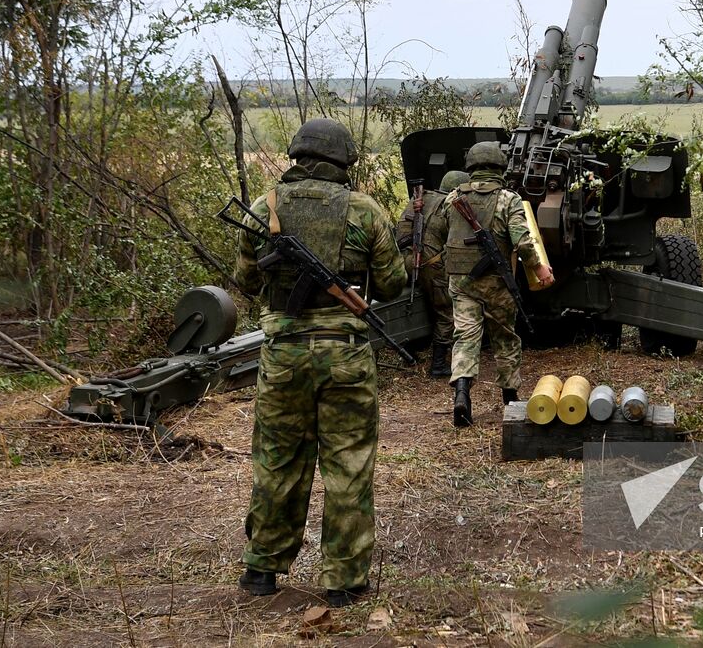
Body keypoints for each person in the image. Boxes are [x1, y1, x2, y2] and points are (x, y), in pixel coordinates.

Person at [232, 118, 405, 605]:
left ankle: (262, 569)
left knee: (277, 459)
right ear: (345, 160)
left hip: (283, 355)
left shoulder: (265, 208)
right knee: (348, 464)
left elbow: (245, 280)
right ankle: (344, 582)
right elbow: (393, 286)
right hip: (346, 355)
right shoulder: (366, 211)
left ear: (296, 155)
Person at [427, 141, 554, 427]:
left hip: (461, 282)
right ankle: (509, 397)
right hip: (496, 282)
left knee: (465, 337)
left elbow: (445, 233)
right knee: (505, 338)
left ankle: (461, 394)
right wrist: (540, 268)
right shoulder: (508, 199)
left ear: (471, 167)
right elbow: (522, 241)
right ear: (500, 167)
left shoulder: (452, 198)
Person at [396, 169, 469, 378]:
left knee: (411, 304)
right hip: (429, 264)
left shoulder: (419, 199)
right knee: (445, 311)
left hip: (401, 261)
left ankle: (410, 350)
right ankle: (438, 364)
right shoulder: (450, 206)